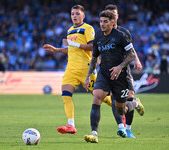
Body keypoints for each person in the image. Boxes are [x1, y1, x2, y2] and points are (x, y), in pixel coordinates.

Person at [42, 5, 113, 134]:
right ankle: (70, 125)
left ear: (83, 16)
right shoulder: (69, 30)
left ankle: (120, 105)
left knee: (99, 97)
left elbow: (92, 46)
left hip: (86, 68)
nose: (74, 16)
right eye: (72, 14)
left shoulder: (87, 28)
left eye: (77, 13)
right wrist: (56, 50)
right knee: (66, 95)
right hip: (71, 69)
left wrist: (73, 44)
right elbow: (71, 49)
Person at [84, 10, 142, 143]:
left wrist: (120, 66)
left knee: (121, 109)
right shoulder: (98, 35)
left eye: (105, 22)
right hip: (104, 74)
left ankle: (134, 103)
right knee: (97, 96)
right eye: (101, 21)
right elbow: (94, 58)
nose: (102, 24)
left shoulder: (121, 36)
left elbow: (132, 55)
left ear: (112, 22)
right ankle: (94, 133)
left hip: (120, 77)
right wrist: (88, 76)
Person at [104, 4, 144, 138]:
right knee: (115, 101)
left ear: (117, 17)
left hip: (124, 70)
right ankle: (120, 127)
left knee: (129, 97)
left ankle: (128, 129)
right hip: (109, 71)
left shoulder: (124, 32)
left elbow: (130, 50)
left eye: (114, 15)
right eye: (110, 14)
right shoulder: (102, 33)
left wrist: (137, 60)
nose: (112, 17)